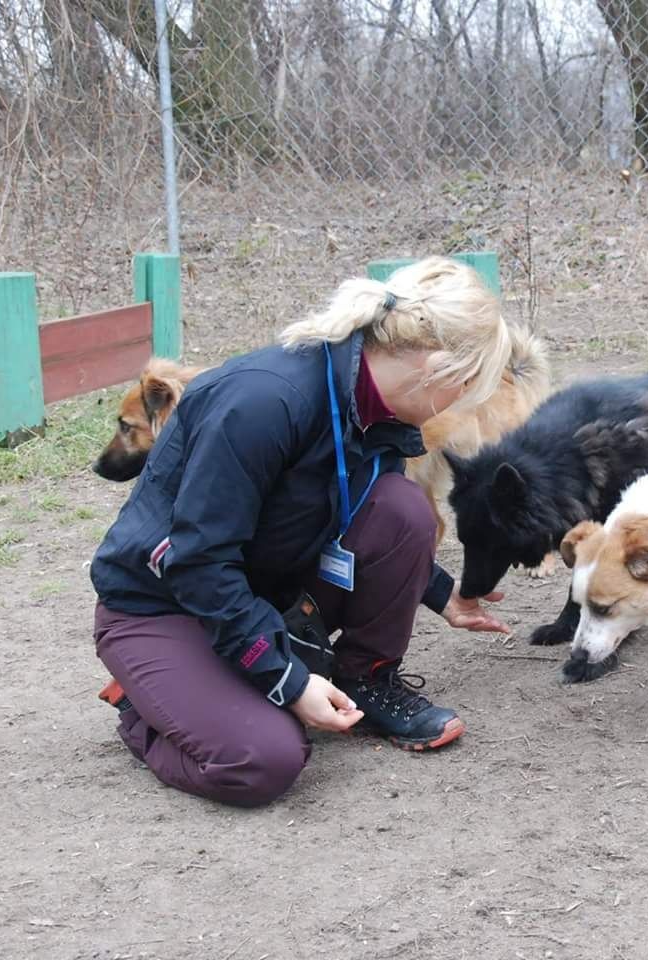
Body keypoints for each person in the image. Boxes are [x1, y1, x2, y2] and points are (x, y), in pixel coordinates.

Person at [88, 257, 513, 807]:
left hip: (264, 590)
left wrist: (440, 593)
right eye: (468, 384)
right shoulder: (264, 400)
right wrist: (289, 682)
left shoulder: (373, 404)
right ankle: (143, 708)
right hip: (165, 605)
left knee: (403, 506)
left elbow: (361, 513)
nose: (461, 401)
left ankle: (366, 681)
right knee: (262, 761)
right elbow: (198, 563)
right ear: (437, 367)